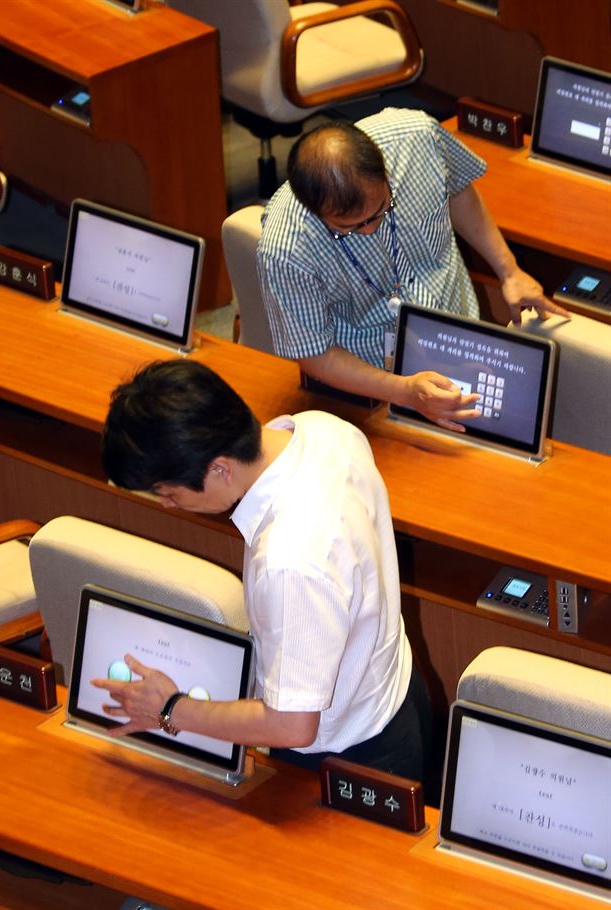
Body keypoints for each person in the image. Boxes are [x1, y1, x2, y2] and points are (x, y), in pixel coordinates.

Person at [93, 359, 432, 785]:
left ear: (219, 467)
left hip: (351, 757)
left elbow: (292, 725)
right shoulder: (322, 429)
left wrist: (171, 708)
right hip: (394, 685)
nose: (167, 505)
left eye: (169, 492)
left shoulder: (289, 560)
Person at [257, 108, 569, 431]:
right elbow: (315, 354)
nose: (370, 230)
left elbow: (457, 190)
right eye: (348, 227)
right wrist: (403, 390)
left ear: (384, 170)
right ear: (312, 209)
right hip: (368, 387)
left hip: (458, 327)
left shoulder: (419, 138)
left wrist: (509, 270)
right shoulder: (285, 249)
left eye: (380, 210)